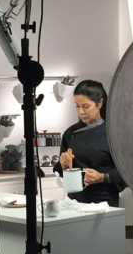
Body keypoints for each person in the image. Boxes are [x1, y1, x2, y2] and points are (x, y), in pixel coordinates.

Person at [53, 79, 126, 207]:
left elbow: (127, 172)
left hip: (104, 203)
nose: (81, 111)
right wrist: (63, 165)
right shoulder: (70, 133)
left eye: (86, 106)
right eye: (77, 106)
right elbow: (61, 173)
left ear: (100, 103)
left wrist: (103, 177)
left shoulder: (114, 133)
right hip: (73, 203)